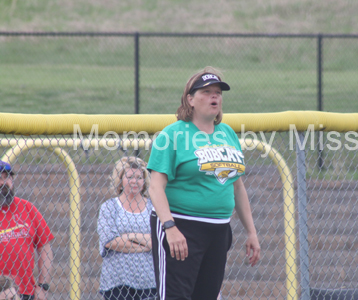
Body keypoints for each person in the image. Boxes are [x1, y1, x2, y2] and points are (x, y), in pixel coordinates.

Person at [147, 66, 261, 300]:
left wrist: (251, 231)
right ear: (190, 99)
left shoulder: (227, 133)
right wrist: (170, 227)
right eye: (206, 92)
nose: (214, 97)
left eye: (218, 92)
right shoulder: (171, 134)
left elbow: (237, 186)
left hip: (219, 229)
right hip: (182, 226)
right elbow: (155, 186)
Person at [97, 157, 157, 300]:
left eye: (139, 177)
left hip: (149, 282)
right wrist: (145, 244)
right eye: (129, 177)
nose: (135, 181)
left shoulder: (153, 207)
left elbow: (158, 241)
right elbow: (109, 241)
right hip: (117, 282)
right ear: (120, 180)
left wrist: (128, 237)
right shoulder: (109, 207)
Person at [0, 161, 54, 300]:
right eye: (0, 178)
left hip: (26, 293)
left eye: (7, 177)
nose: (4, 182)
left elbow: (45, 247)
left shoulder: (27, 208)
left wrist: (43, 286)